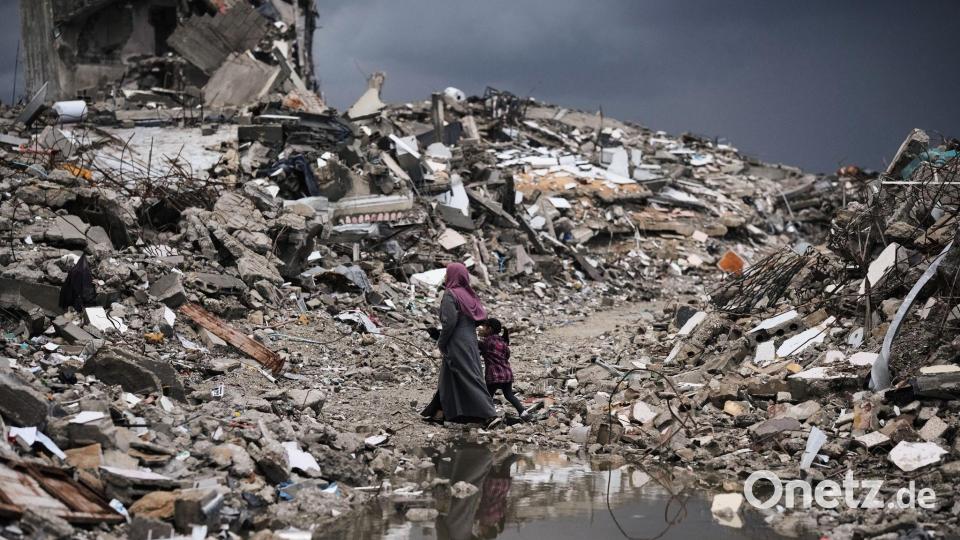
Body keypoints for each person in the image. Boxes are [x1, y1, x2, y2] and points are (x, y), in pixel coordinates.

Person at [421, 263, 500, 428]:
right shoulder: (469, 294)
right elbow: (478, 318)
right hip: (470, 340)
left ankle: (490, 415)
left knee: (469, 376)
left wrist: (441, 342)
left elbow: (449, 323)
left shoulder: (450, 294)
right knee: (448, 378)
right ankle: (439, 413)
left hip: (457, 342)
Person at [478, 318, 530, 420]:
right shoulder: (503, 342)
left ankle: (488, 416)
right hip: (507, 373)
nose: (482, 329)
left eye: (484, 327)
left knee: (488, 396)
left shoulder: (487, 342)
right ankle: (524, 413)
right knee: (509, 395)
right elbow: (507, 355)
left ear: (490, 329)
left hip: (494, 375)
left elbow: (478, 347)